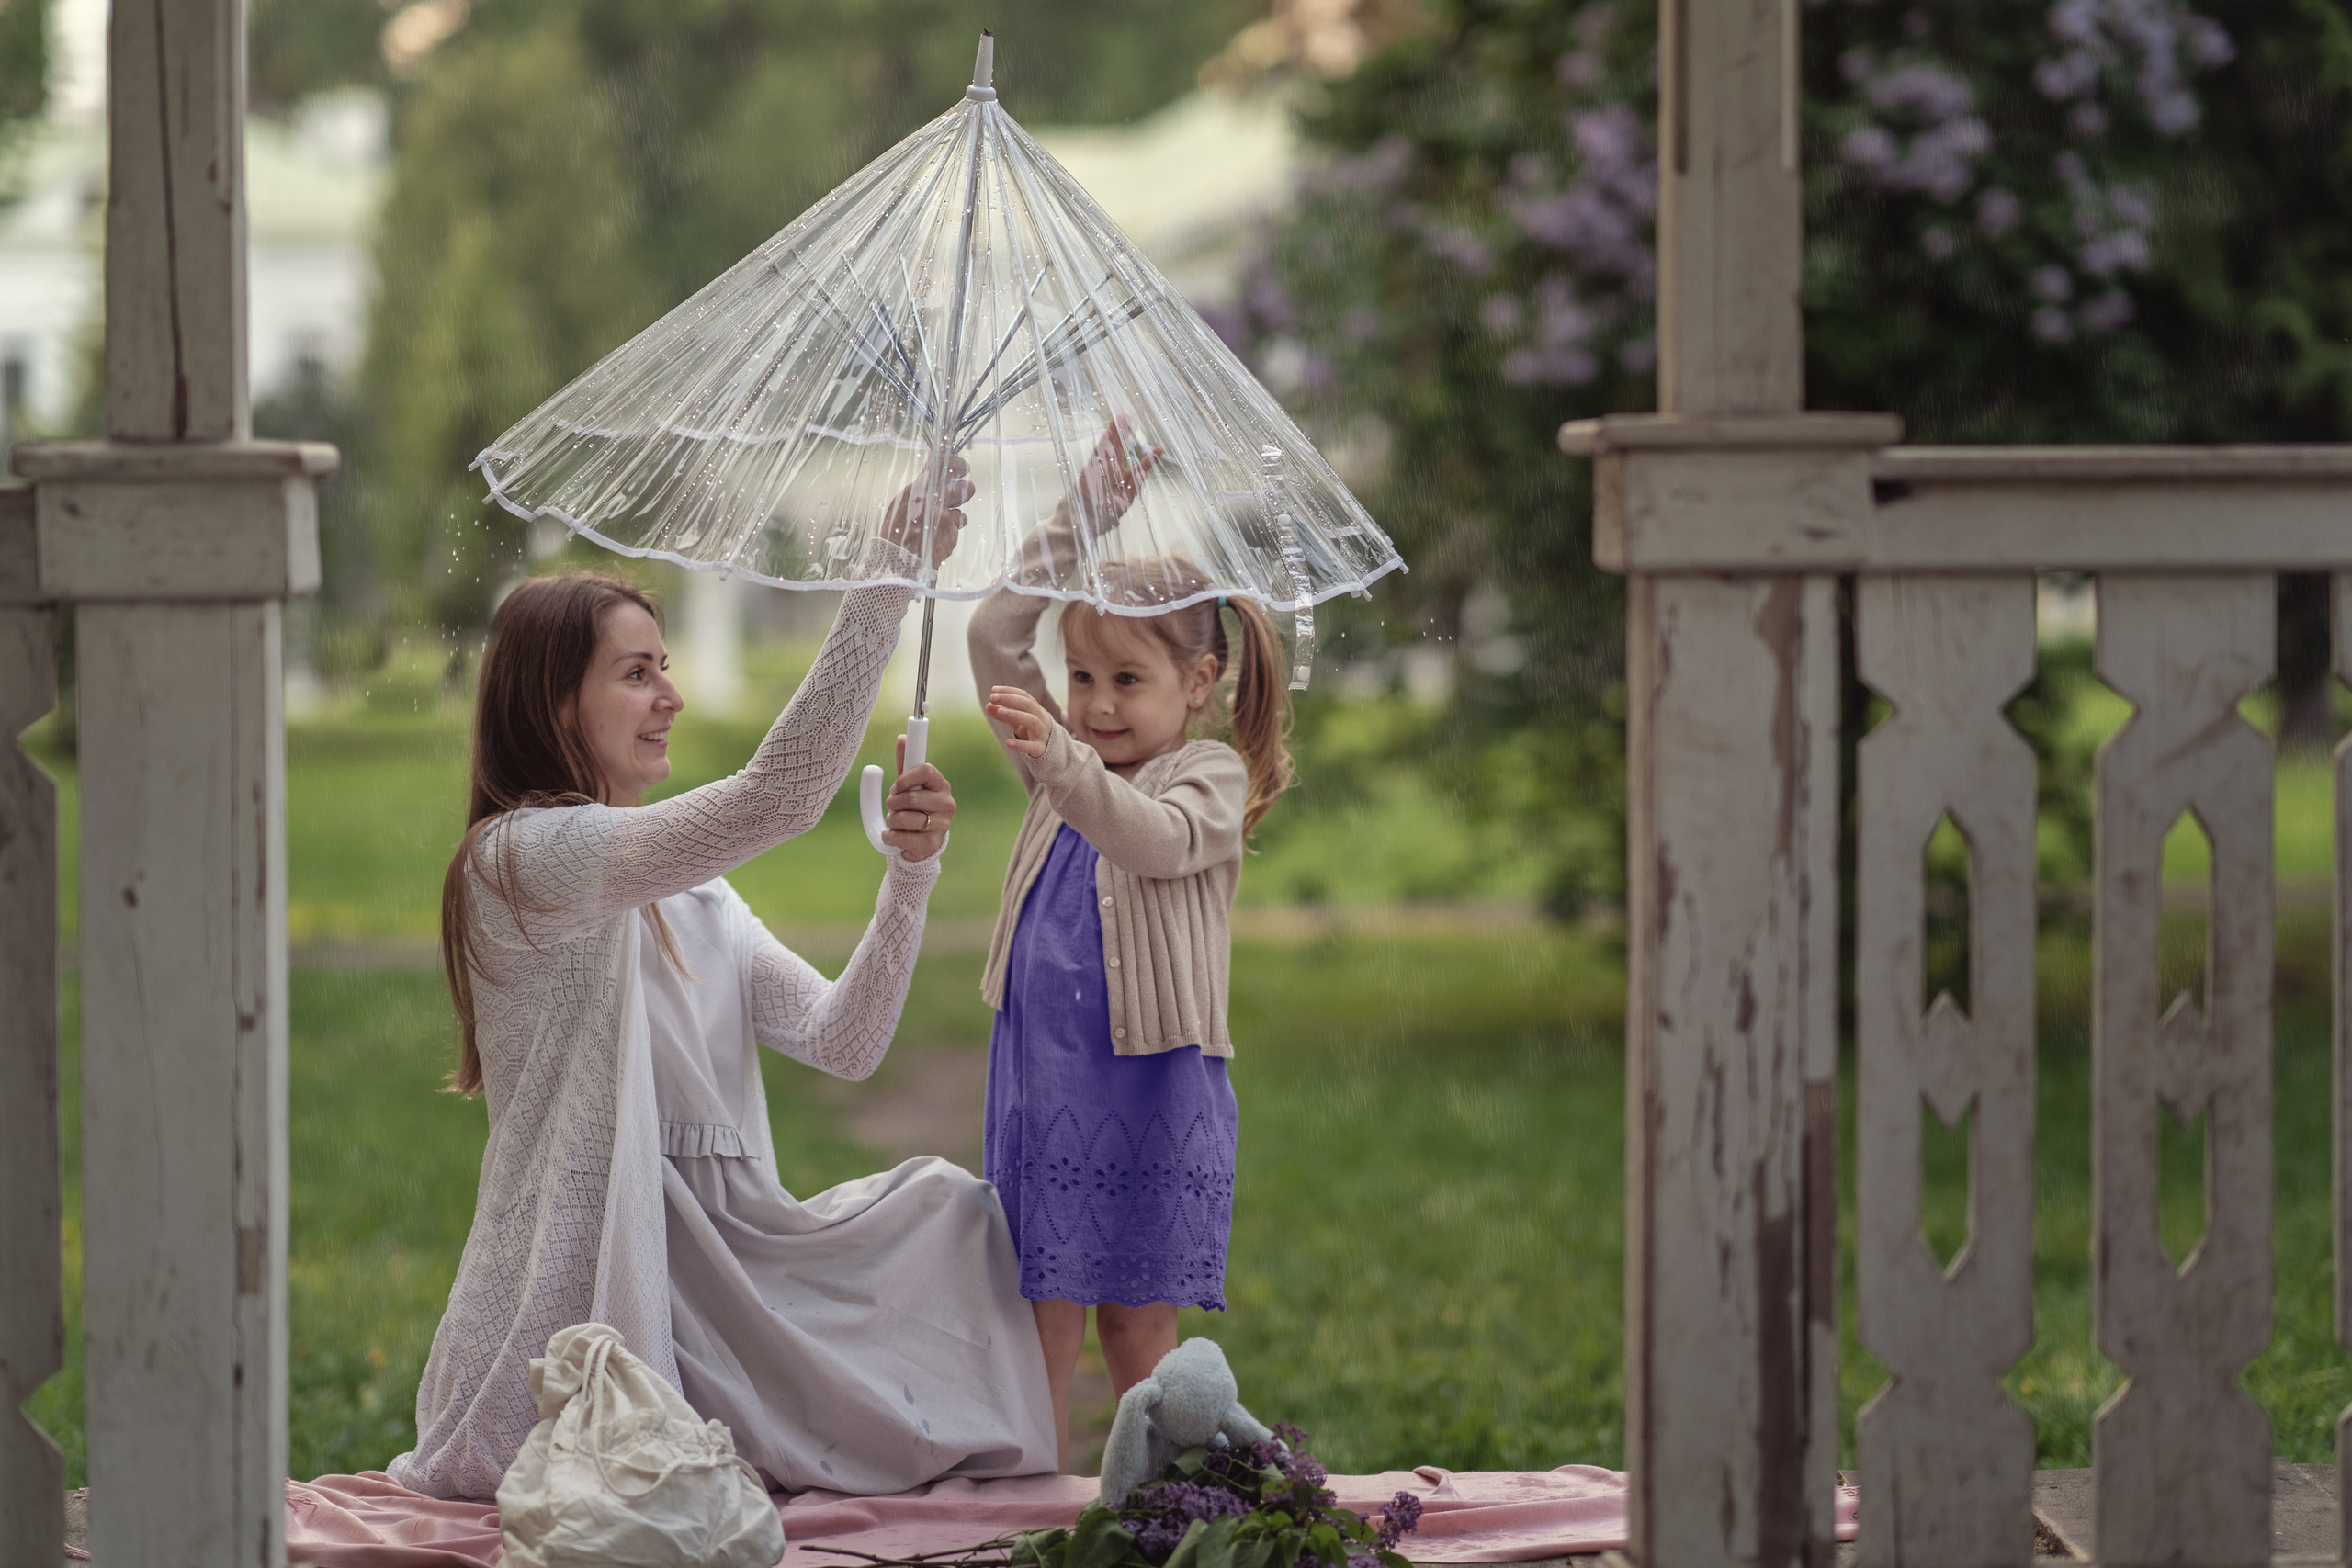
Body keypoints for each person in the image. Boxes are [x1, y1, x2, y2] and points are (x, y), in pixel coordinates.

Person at [388, 462, 1057, 1501]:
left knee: (949, 1211)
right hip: (600, 1290)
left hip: (741, 1270)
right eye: (637, 673)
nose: (672, 696)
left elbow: (846, 1040)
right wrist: (887, 571)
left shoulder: (693, 897)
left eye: (664, 666)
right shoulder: (517, 861)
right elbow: (782, 794)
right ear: (553, 701)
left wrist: (909, 879)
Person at [967, 424, 1295, 1468]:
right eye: (1080, 678)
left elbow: (1147, 842)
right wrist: (1081, 517)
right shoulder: (1066, 772)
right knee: (1038, 1310)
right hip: (1045, 1073)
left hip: (1151, 1082)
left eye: (1126, 681)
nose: (1097, 705)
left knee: (1137, 1325)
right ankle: (1031, 1503)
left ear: (1198, 680)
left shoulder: (1204, 778)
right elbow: (989, 633)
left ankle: (1152, 1507)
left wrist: (1064, 761)